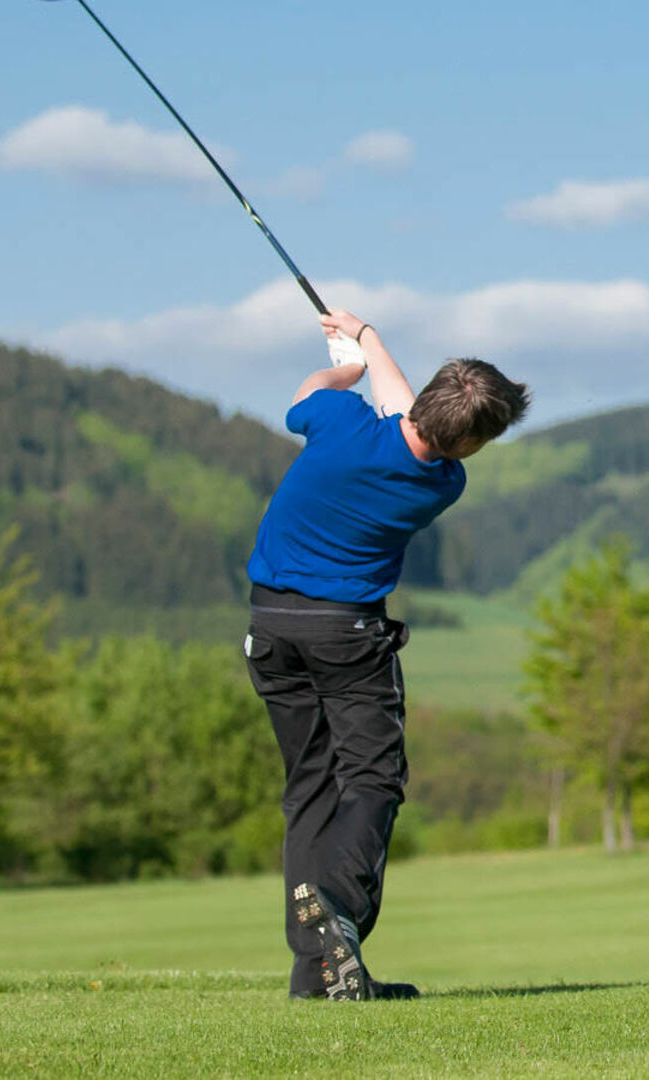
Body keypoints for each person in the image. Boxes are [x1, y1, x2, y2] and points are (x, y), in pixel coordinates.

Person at [243, 309, 528, 1001]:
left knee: (310, 787)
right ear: (472, 445)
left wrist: (352, 355)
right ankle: (335, 906)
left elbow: (314, 391)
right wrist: (367, 341)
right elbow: (416, 425)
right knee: (372, 779)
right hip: (346, 635)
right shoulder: (440, 484)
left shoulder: (339, 423)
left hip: (270, 625)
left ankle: (319, 976)